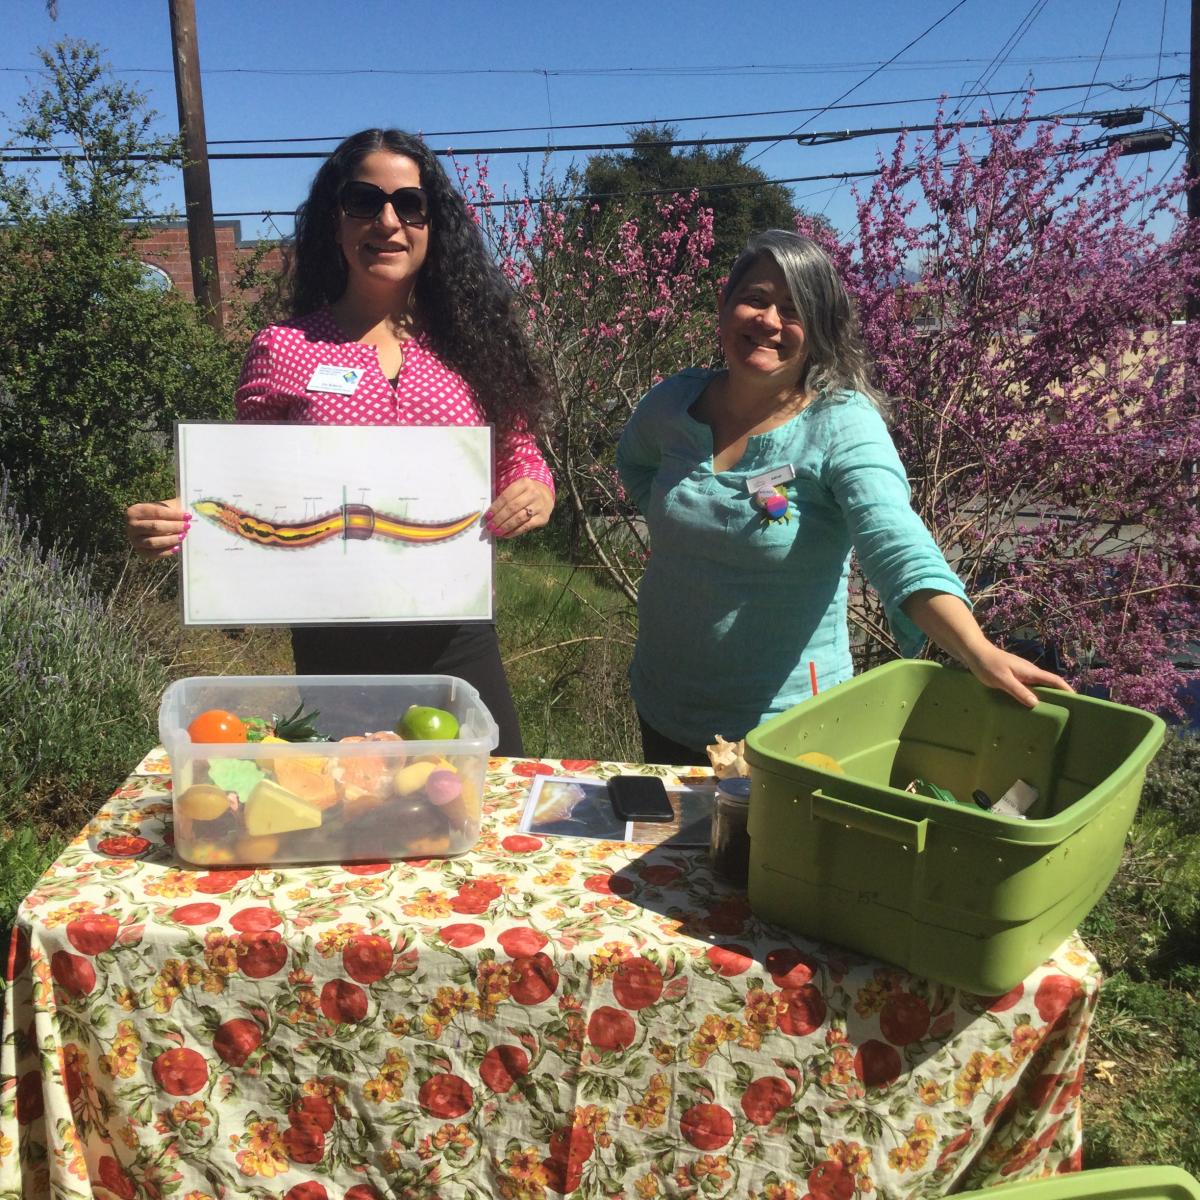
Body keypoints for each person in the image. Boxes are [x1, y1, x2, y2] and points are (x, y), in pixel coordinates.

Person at [125, 128, 555, 755]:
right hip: (332, 638)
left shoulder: (477, 346)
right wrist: (178, 521)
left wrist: (535, 489)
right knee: (350, 818)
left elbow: (519, 451)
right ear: (336, 220)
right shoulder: (284, 349)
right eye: (364, 201)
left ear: (434, 225)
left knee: (480, 806)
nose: (387, 221)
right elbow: (250, 485)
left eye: (410, 204)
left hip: (454, 630)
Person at [617, 229, 1070, 766]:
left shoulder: (841, 423)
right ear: (725, 304)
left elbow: (894, 541)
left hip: (785, 730)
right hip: (665, 705)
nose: (768, 321)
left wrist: (977, 651)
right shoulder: (673, 403)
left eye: (793, 310)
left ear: (820, 329)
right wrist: (683, 525)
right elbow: (637, 466)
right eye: (756, 299)